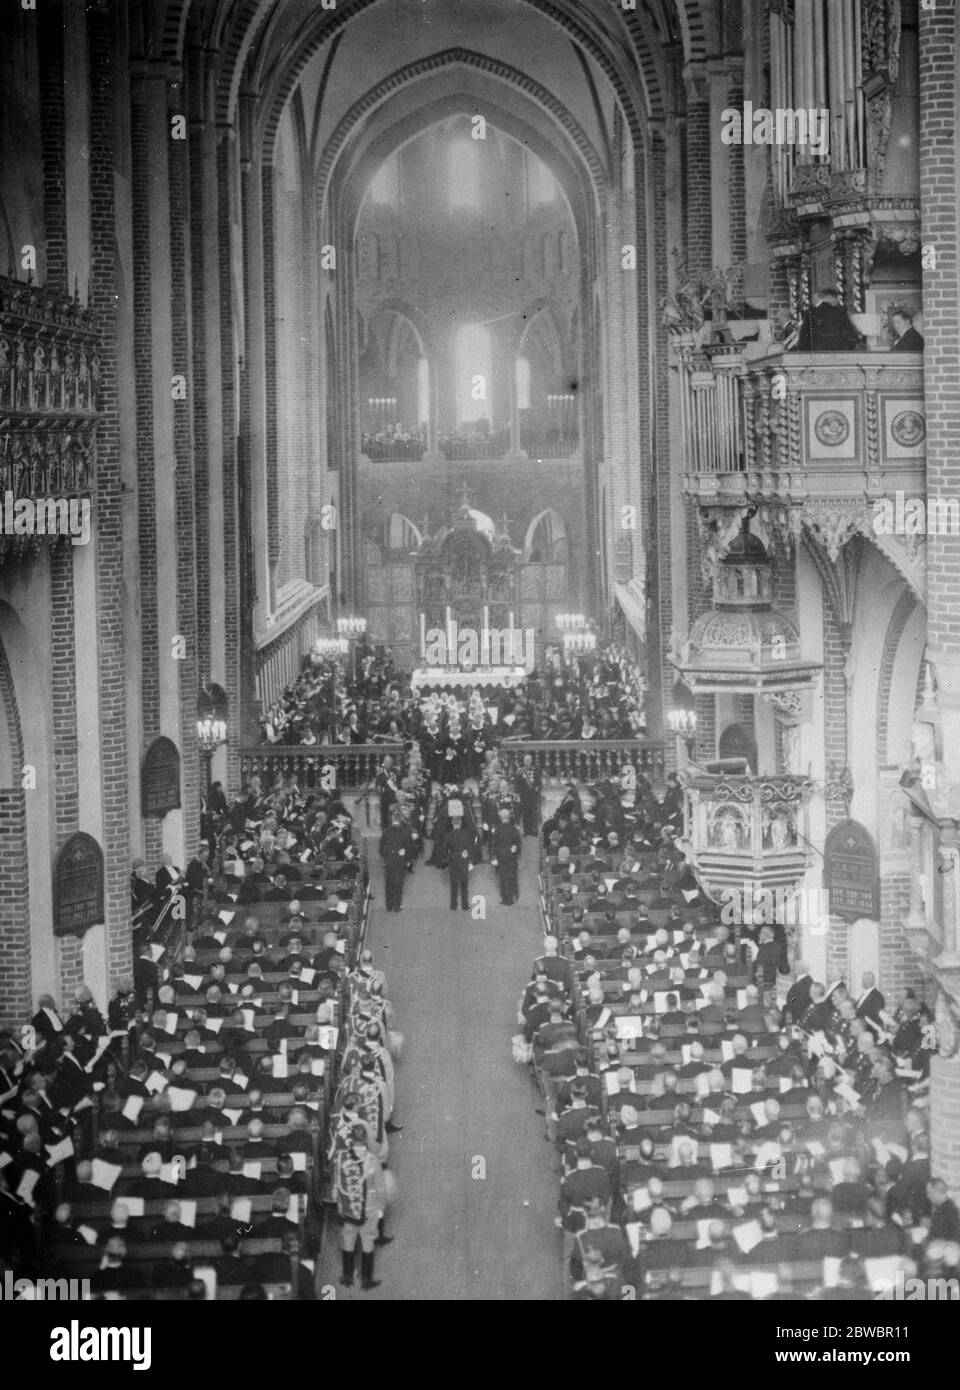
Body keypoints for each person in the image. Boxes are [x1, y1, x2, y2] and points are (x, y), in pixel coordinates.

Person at [334, 1123, 388, 1291]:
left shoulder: (342, 1159)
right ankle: (366, 1280)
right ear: (364, 1139)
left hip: (349, 1209)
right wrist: (380, 1209)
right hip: (368, 1208)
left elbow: (338, 1185)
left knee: (348, 1241)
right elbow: (380, 1188)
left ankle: (348, 1277)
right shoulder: (372, 1161)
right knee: (368, 1241)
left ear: (351, 1139)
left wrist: (340, 1206)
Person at [792, 289, 863, 352]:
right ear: (831, 297)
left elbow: (802, 343)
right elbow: (852, 336)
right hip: (840, 356)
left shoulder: (809, 314)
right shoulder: (840, 312)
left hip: (815, 357)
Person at [379, 805, 415, 912]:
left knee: (389, 882)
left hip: (389, 859)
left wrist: (385, 857)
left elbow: (381, 848)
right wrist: (408, 861)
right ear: (400, 820)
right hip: (401, 859)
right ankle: (397, 906)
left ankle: (389, 906)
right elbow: (409, 847)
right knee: (399, 883)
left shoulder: (386, 831)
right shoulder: (405, 832)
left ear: (392, 819)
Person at [490, 806, 522, 906]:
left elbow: (493, 845)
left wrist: (493, 857)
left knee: (503, 877)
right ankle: (511, 897)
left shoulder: (497, 830)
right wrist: (517, 854)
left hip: (501, 856)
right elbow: (518, 843)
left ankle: (504, 897)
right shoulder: (514, 830)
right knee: (512, 876)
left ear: (501, 818)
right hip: (511, 856)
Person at [445, 811, 474, 912]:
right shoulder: (466, 834)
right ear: (460, 823)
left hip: (453, 860)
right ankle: (465, 905)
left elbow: (445, 849)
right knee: (464, 883)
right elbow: (470, 848)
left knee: (453, 883)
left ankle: (453, 905)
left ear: (453, 823)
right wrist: (470, 860)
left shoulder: (448, 835)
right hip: (463, 859)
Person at [515, 753, 541, 837]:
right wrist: (518, 794)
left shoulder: (535, 770)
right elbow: (517, 784)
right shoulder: (519, 771)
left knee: (533, 815)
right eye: (525, 760)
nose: (527, 762)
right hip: (523, 797)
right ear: (523, 761)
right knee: (525, 815)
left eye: (528, 760)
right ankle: (526, 832)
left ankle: (534, 832)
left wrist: (537, 789)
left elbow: (539, 783)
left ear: (531, 761)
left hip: (533, 796)